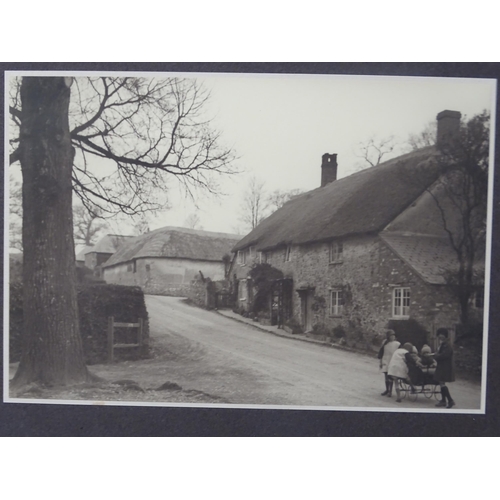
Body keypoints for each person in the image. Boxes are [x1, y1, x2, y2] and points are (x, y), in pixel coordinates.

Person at [432, 328, 456, 408]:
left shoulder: (447, 344)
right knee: (441, 383)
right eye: (439, 335)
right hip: (442, 366)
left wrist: (435, 356)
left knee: (442, 383)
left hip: (445, 367)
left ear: (444, 335)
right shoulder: (443, 344)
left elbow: (444, 355)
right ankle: (443, 400)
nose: (439, 337)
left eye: (440, 335)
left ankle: (450, 400)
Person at [378, 329, 400, 397]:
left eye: (394, 335)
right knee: (386, 376)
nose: (393, 337)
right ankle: (387, 390)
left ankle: (390, 391)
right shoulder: (385, 343)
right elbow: (381, 353)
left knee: (391, 376)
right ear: (388, 336)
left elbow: (400, 352)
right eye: (391, 336)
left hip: (393, 360)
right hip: (386, 360)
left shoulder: (397, 344)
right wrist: (380, 362)